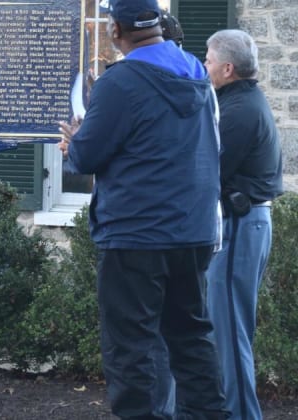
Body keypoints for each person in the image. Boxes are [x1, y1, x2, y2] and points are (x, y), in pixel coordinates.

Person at [58, 0, 228, 418]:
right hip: (193, 231)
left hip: (136, 234)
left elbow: (87, 157)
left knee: (132, 347)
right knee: (191, 338)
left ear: (115, 30)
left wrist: (75, 140)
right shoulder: (194, 72)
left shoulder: (121, 81)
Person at [204, 29, 283, 420]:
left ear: (227, 68)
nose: (204, 65)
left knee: (230, 334)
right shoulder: (241, 102)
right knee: (228, 331)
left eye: (208, 59)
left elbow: (206, 172)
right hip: (246, 224)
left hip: (240, 225)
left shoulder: (239, 111)